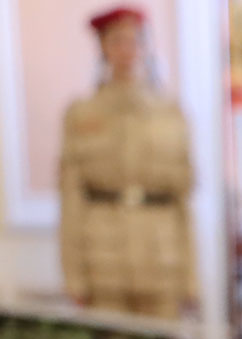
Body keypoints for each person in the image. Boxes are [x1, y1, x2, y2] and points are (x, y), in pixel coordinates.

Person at [59, 7, 196, 319]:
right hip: (103, 261)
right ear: (103, 48)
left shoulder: (171, 113)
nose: (127, 51)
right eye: (117, 41)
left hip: (162, 260)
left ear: (146, 47)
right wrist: (73, 276)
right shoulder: (82, 113)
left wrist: (191, 278)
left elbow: (183, 201)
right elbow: (71, 198)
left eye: (135, 41)